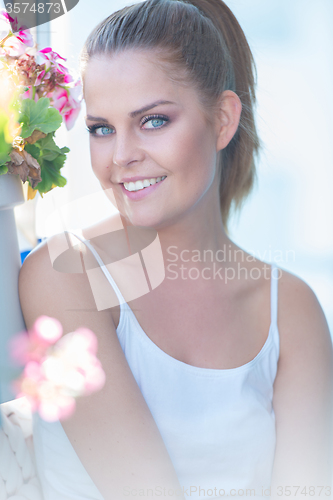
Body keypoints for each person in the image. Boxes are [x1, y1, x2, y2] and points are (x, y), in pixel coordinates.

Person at [18, 0, 333, 499]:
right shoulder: (66, 274)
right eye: (102, 129)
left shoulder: (290, 309)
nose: (121, 156)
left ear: (224, 119)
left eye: (153, 121)